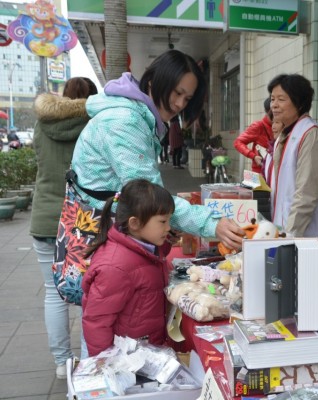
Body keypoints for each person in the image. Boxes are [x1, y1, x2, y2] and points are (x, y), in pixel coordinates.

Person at [69, 49, 244, 249]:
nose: (179, 104)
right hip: (97, 237)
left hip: (106, 230)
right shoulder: (125, 121)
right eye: (177, 93)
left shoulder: (138, 117)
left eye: (187, 99)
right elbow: (148, 194)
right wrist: (211, 223)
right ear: (152, 81)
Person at [30, 76, 98, 379]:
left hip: (44, 216)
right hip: (82, 219)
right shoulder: (94, 123)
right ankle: (89, 356)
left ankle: (62, 362)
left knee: (53, 292)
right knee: (90, 290)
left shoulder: (41, 124)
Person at [82, 179, 174, 356]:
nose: (168, 228)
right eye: (163, 222)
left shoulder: (145, 248)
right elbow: (97, 322)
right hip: (126, 358)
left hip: (146, 349)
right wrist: (105, 363)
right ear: (134, 223)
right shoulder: (115, 267)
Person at [268, 74, 318, 245]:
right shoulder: (285, 134)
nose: (274, 105)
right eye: (272, 99)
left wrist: (288, 237)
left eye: (281, 99)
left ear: (299, 102)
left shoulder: (310, 135)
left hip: (309, 238)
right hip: (288, 234)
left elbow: (306, 194)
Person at [234, 97, 274, 174]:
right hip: (261, 172)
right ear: (269, 111)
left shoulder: (283, 125)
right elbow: (238, 142)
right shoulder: (258, 126)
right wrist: (253, 156)